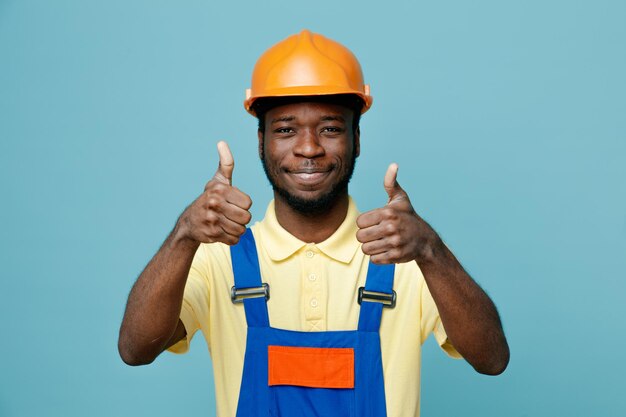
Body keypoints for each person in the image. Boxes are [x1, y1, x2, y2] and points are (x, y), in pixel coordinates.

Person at [118, 29, 509, 417]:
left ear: (357, 138)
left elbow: (491, 359)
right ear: (261, 141)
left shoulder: (402, 256)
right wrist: (184, 234)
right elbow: (136, 349)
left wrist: (430, 249)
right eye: (286, 130)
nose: (308, 148)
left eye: (330, 128)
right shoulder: (219, 258)